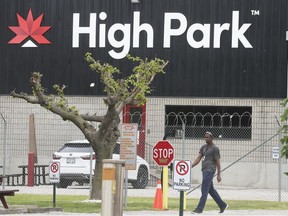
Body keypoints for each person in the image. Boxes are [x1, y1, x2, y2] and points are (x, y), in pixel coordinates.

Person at [191, 131, 228, 214]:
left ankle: (199, 209)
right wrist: (190, 166)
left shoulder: (215, 148)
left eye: (207, 137)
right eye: (205, 137)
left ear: (212, 138)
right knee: (210, 190)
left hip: (210, 170)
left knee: (204, 189)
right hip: (204, 170)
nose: (206, 138)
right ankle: (222, 205)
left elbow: (218, 162)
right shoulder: (203, 147)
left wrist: (218, 174)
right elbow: (198, 158)